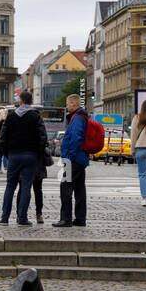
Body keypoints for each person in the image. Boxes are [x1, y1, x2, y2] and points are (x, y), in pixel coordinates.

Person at [0, 91, 46, 225]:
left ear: (20, 101)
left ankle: (4, 218)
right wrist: (37, 153)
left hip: (14, 155)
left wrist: (8, 153)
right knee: (26, 187)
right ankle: (22, 218)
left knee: (10, 186)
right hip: (30, 155)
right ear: (31, 102)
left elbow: (3, 137)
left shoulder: (11, 116)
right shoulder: (36, 116)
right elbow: (43, 137)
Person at [53, 94, 89, 227]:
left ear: (74, 104)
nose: (67, 107)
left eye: (68, 104)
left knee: (65, 187)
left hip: (73, 160)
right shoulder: (80, 117)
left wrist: (69, 156)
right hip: (80, 159)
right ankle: (80, 218)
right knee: (79, 188)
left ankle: (66, 219)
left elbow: (75, 138)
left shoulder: (77, 118)